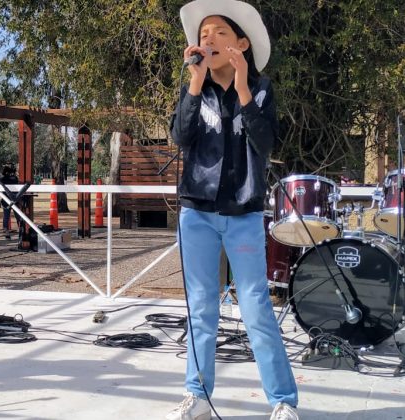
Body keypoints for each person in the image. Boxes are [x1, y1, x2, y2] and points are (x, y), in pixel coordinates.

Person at [168, 1, 299, 419]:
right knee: (202, 306)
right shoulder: (195, 87)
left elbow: (264, 144)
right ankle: (198, 397)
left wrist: (243, 86)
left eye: (218, 32)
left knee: (257, 306)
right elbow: (180, 137)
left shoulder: (261, 90)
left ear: (241, 43)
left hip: (243, 213)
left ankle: (282, 402)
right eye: (203, 34)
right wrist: (194, 81)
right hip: (197, 212)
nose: (207, 39)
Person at [0, 164, 20, 239]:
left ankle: (6, 232)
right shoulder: (15, 178)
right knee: (18, 216)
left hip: (5, 200)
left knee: (6, 216)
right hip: (15, 199)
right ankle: (21, 231)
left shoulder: (2, 179)